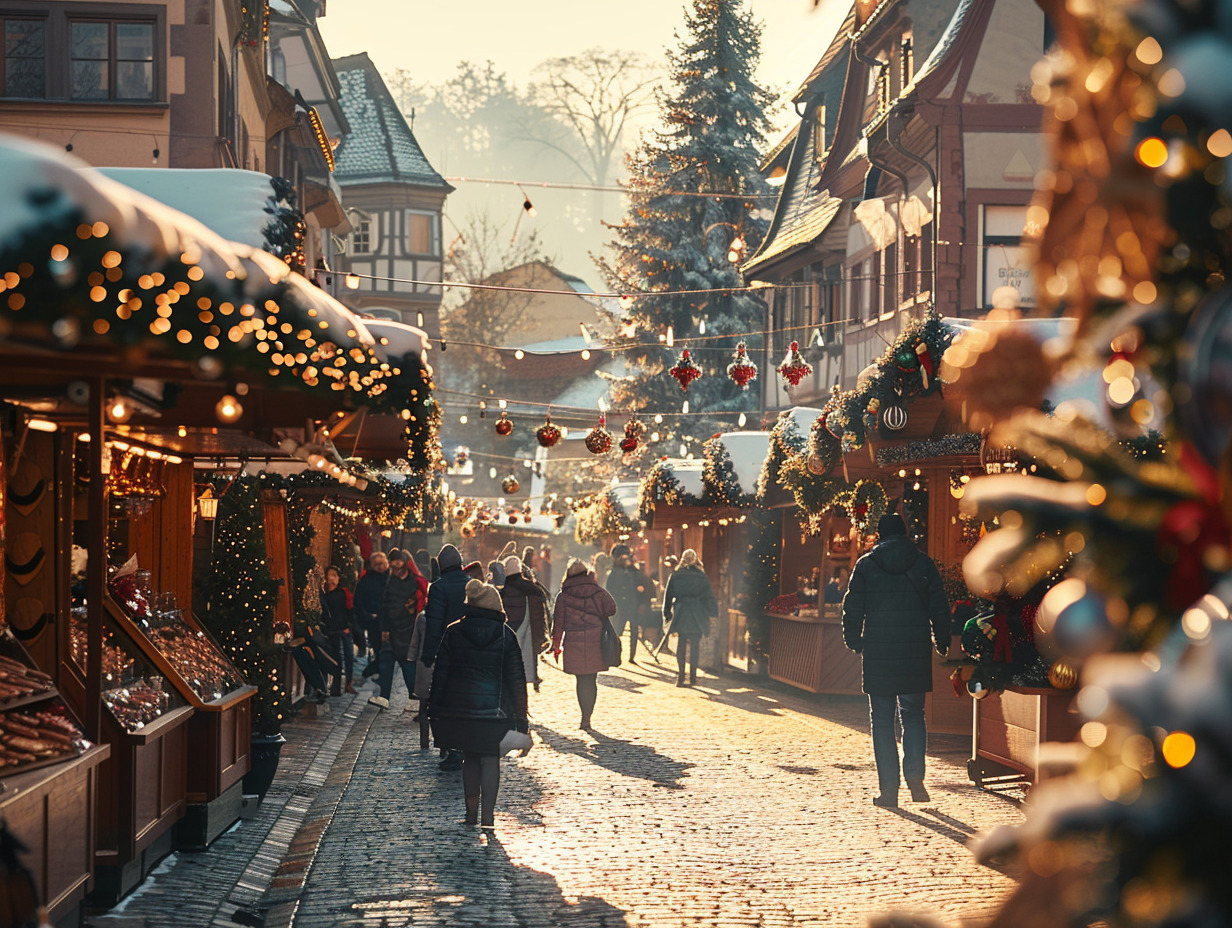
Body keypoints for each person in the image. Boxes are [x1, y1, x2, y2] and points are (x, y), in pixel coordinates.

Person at [842, 512, 950, 808]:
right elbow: (939, 605)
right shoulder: (924, 564)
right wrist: (942, 639)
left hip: (879, 651)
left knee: (882, 721)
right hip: (914, 651)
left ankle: (889, 790)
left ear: (879, 535)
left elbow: (853, 606)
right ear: (905, 534)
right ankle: (916, 779)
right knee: (914, 715)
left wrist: (854, 639)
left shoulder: (866, 565)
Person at [428, 579, 528, 828]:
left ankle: (471, 814)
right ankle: (488, 817)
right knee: (490, 759)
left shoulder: (453, 631)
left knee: (470, 759)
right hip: (495, 711)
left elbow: (441, 674)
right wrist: (521, 717)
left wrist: (435, 708)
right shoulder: (506, 635)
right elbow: (517, 680)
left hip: (461, 710)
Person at [551, 558, 617, 730]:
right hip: (596, 641)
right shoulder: (596, 591)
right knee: (591, 680)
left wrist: (556, 644)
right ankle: (588, 716)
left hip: (574, 641)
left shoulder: (563, 595)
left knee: (581, 680)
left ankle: (584, 718)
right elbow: (611, 609)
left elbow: (558, 622)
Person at [423, 543, 470, 770]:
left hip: (447, 651)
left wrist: (428, 654)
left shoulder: (438, 588)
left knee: (447, 700)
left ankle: (453, 748)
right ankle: (465, 744)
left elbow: (434, 624)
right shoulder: (473, 585)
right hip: (471, 650)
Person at [368, 549, 427, 710]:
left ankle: (414, 698)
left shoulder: (414, 581)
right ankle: (384, 696)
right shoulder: (390, 581)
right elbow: (386, 605)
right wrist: (385, 628)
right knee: (386, 661)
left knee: (407, 663)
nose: (395, 567)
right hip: (391, 629)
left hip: (408, 629)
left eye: (397, 564)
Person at [661, 549, 717, 687]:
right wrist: (713, 613)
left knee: (681, 644)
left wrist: (667, 613)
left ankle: (680, 677)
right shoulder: (702, 577)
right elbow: (709, 597)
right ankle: (693, 677)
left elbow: (668, 596)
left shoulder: (676, 575)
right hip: (698, 612)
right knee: (695, 646)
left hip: (681, 611)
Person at [500, 555, 549, 693]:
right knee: (528, 659)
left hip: (508, 629)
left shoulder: (501, 591)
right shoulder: (532, 588)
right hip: (528, 630)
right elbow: (539, 615)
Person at [605, 544, 654, 661]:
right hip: (618, 606)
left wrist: (643, 603)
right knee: (617, 631)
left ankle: (632, 656)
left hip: (633, 605)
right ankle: (617, 654)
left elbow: (645, 588)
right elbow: (609, 590)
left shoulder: (636, 572)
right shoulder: (614, 573)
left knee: (634, 631)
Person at [320, 565, 356, 695]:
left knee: (347, 657)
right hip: (329, 630)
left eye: (334, 576)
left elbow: (350, 610)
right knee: (335, 659)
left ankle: (346, 684)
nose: (331, 579)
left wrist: (348, 626)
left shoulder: (343, 593)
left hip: (342, 629)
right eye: (329, 575)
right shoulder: (323, 594)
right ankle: (335, 686)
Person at [354, 551, 389, 673]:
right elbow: (358, 601)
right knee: (377, 647)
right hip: (373, 621)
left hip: (390, 620)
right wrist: (367, 616)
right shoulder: (366, 580)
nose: (379, 566)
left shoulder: (392, 578)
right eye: (376, 564)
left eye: (381, 563)